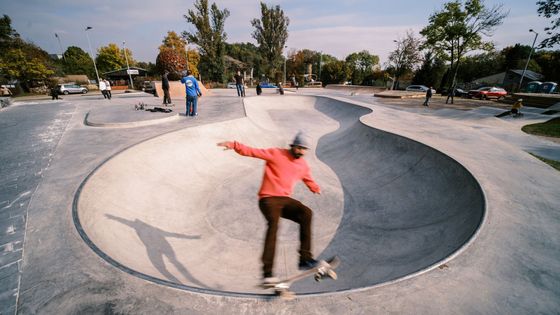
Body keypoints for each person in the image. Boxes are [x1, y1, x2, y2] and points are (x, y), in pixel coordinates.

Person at [217, 132, 321, 285]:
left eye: (304, 149)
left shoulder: (303, 165)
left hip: (285, 200)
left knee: (306, 213)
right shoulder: (276, 153)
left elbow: (307, 178)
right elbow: (253, 152)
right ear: (293, 145)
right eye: (299, 148)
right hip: (268, 199)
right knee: (274, 224)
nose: (301, 152)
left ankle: (305, 259)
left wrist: (314, 187)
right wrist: (234, 145)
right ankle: (268, 273)